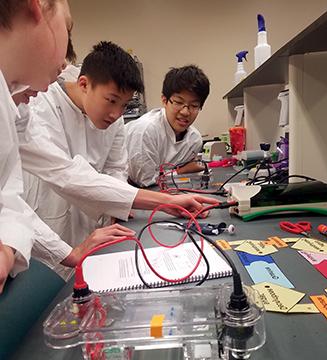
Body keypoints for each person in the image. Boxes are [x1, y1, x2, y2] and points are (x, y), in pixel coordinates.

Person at [17, 42, 218, 262]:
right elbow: (67, 176)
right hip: (48, 228)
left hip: (94, 228)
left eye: (123, 105)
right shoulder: (40, 106)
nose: (116, 114)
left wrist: (116, 205)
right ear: (84, 84)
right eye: (111, 101)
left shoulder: (115, 115)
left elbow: (116, 166)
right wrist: (163, 201)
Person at [0, 0, 135, 293]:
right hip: (50, 237)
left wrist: (8, 244)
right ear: (38, 7)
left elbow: (7, 198)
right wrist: (157, 200)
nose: (64, 64)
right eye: (68, 26)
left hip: (59, 241)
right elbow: (64, 174)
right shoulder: (34, 100)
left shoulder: (12, 98)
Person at [125, 65, 210, 187]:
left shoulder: (194, 140)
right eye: (179, 103)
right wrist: (182, 171)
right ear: (164, 100)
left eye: (194, 105)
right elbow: (144, 182)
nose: (185, 112)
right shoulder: (146, 131)